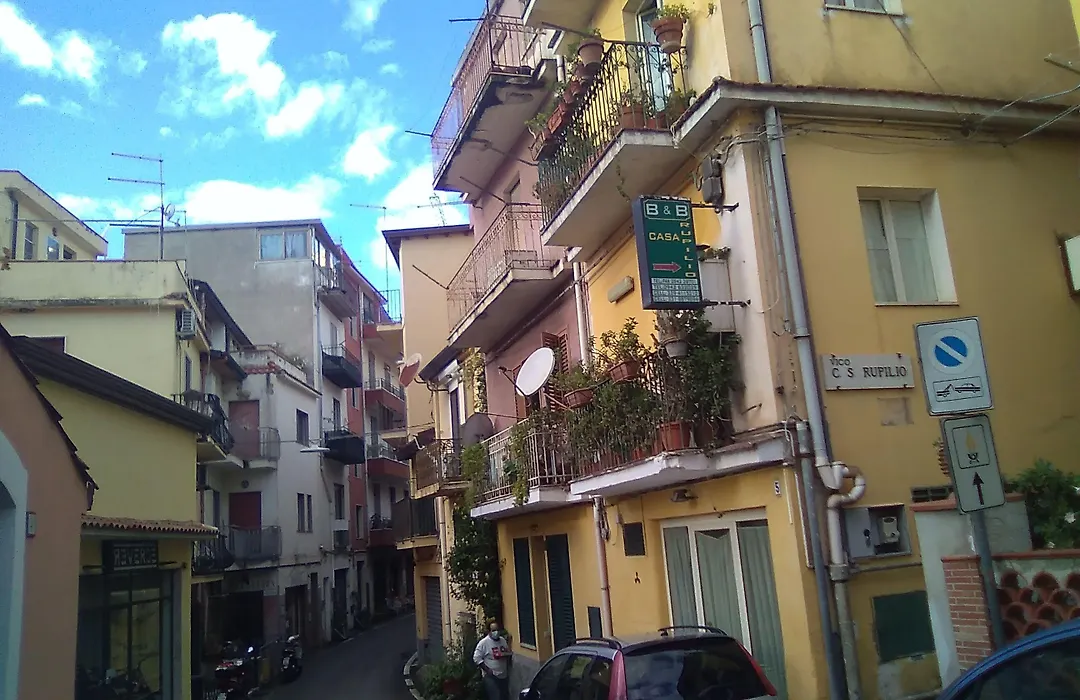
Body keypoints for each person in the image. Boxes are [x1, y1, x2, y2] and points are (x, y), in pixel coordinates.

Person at [474, 621, 512, 700]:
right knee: (495, 696)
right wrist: (487, 670)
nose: (496, 632)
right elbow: (476, 658)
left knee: (504, 696)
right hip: (491, 676)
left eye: (497, 630)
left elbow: (507, 652)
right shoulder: (484, 643)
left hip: (503, 675)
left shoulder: (502, 640)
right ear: (489, 632)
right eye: (493, 630)